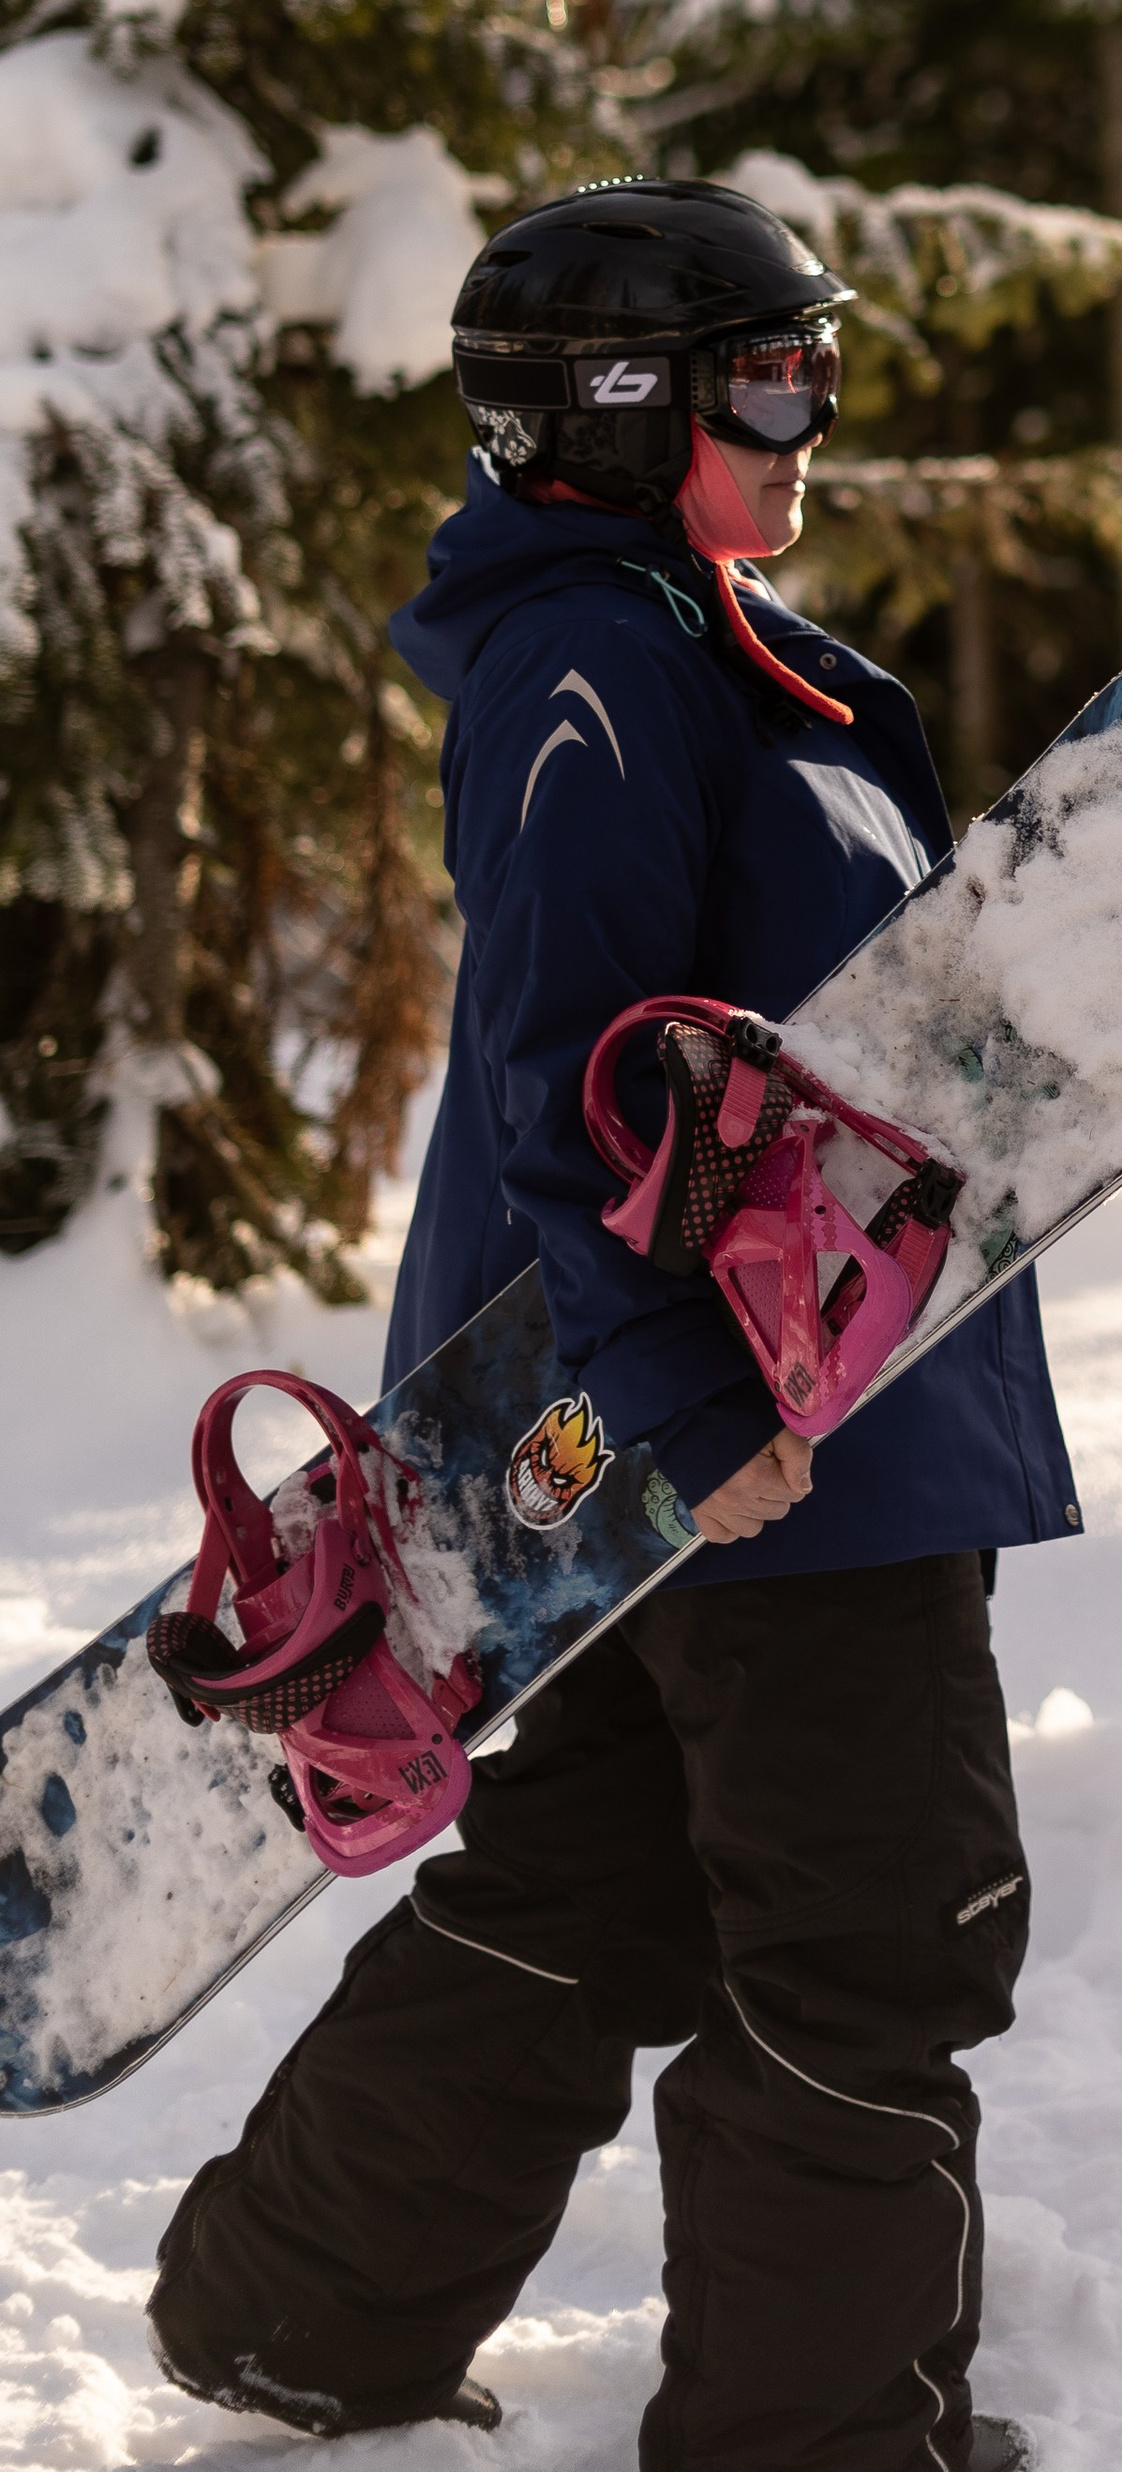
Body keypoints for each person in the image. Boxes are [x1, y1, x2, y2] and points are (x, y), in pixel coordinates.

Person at [147, 178, 1075, 2472]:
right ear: (623, 408)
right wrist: (682, 1404)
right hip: (753, 1432)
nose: (810, 418)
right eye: (770, 377)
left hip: (681, 1412)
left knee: (592, 1887)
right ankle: (815, 2439)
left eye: (813, 369)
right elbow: (579, 1055)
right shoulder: (601, 664)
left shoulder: (678, 645)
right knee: (875, 1942)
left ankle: (302, 2319)